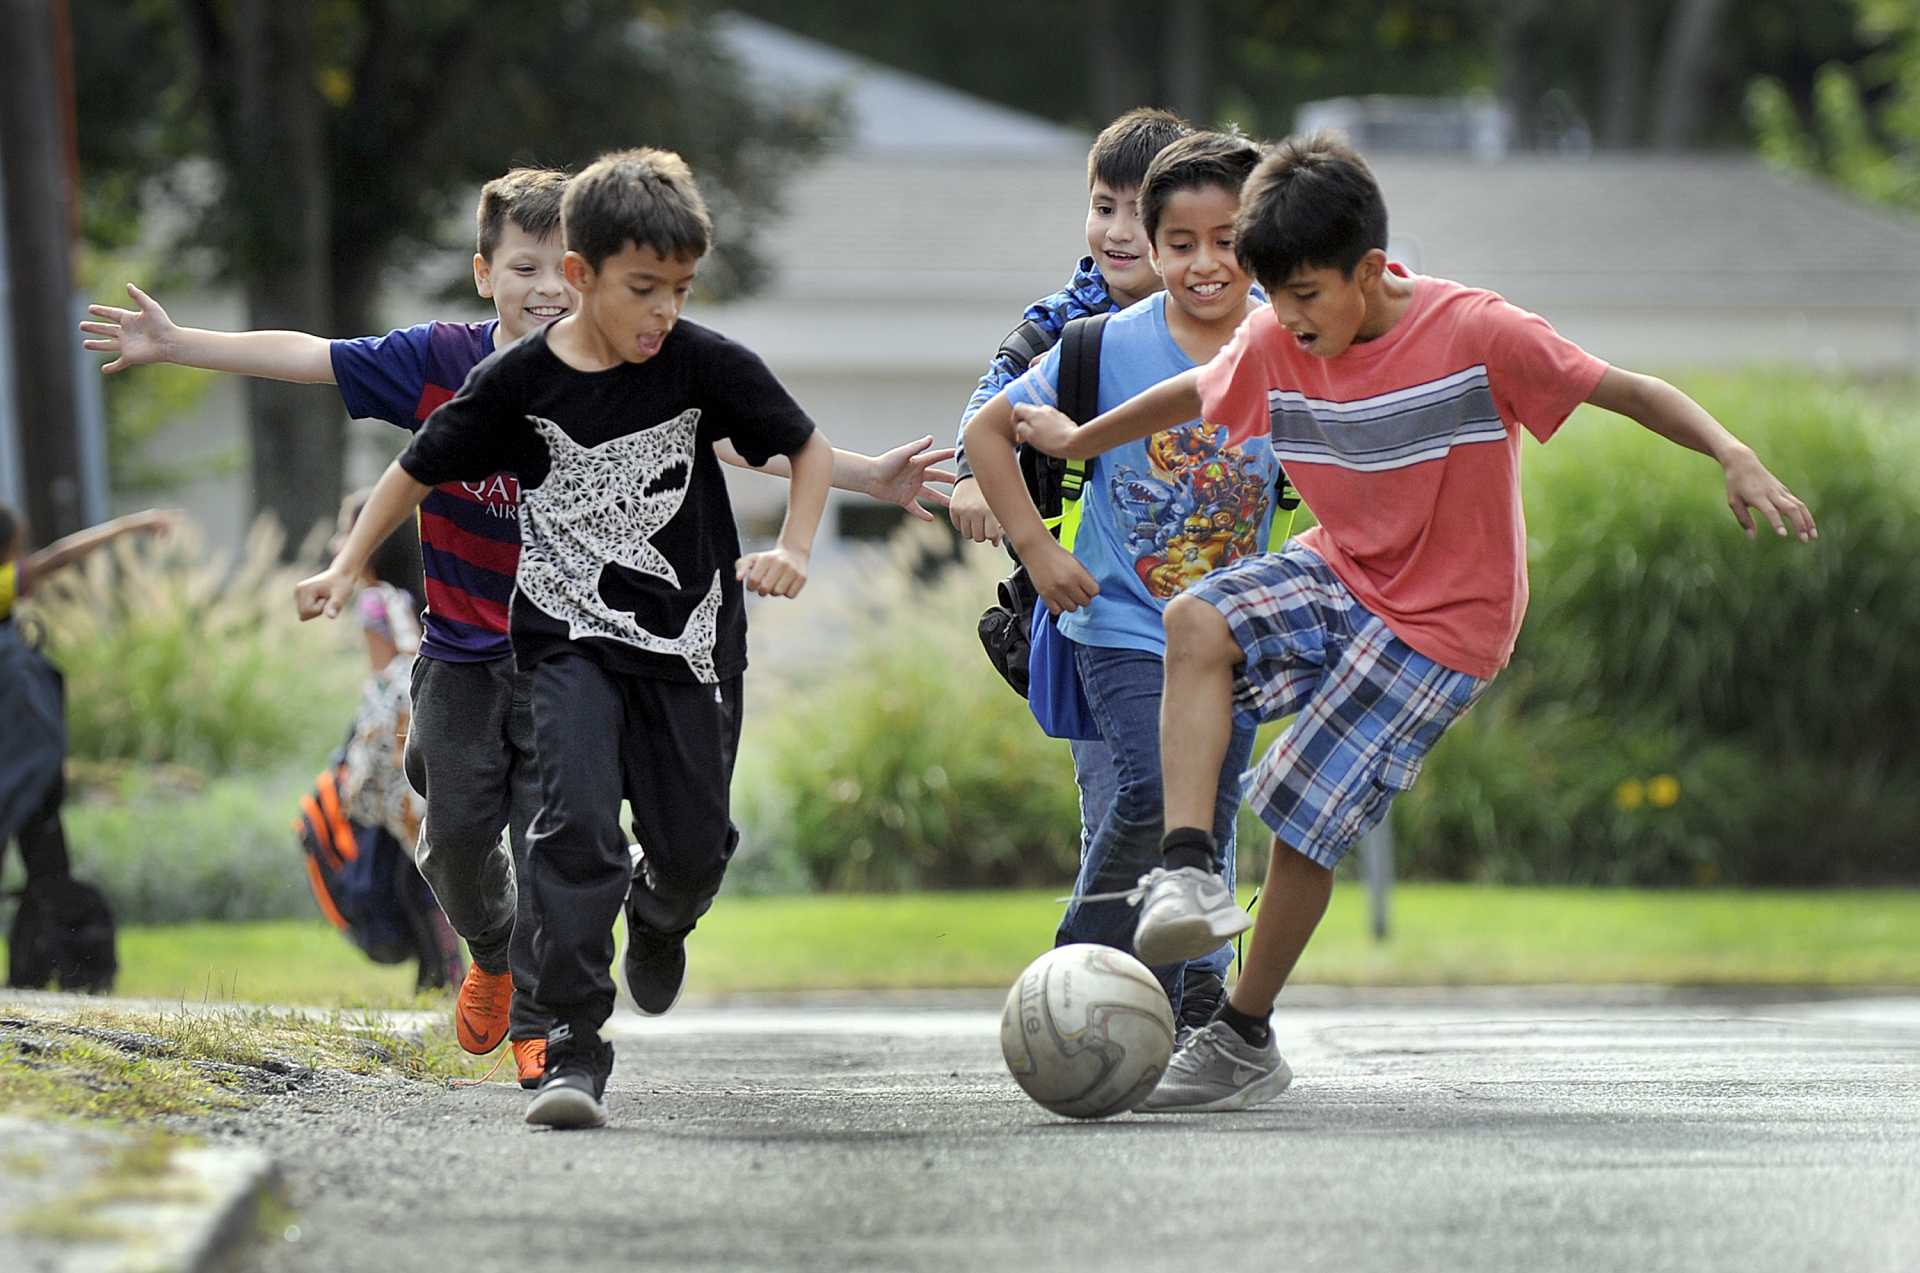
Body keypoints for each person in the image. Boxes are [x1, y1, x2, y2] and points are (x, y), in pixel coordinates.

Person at [81, 169, 954, 1089]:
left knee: (561, 831)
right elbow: (315, 356)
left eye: (554, 269)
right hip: (459, 651)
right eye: (522, 266)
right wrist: (181, 344)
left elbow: (733, 435)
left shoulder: (631, 360)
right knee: (458, 838)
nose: (542, 287)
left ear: (582, 274)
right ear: (484, 273)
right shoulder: (444, 364)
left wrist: (866, 478)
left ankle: (548, 1026)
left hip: (571, 644)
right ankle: (490, 954)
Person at [1012, 132, 1817, 1112]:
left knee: (1303, 814)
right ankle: (1188, 875)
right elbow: (1193, 391)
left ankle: (1242, 1038)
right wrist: (1079, 437)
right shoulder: (1278, 335)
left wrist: (1731, 452)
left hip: (1447, 617)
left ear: (1371, 270)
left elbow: (1627, 389)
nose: (1289, 323)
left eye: (1307, 296)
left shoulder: (1481, 333)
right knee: (1198, 624)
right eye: (1279, 297)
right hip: (1344, 566)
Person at [296, 147, 834, 1131]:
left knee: (690, 843)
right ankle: (569, 1048)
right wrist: (345, 567)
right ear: (581, 278)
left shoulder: (699, 363)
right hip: (563, 644)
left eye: (679, 289)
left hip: (686, 646)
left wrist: (795, 545)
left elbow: (801, 443)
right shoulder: (517, 381)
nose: (662, 312)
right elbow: (415, 469)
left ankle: (664, 914)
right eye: (643, 289)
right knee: (573, 829)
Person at [966, 131, 1286, 1026]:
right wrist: (1039, 551)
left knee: (1205, 839)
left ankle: (1186, 1013)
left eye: (1228, 240)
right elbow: (991, 432)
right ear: (1151, 246)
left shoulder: (1290, 341)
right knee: (1150, 790)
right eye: (1180, 244)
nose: (1206, 262)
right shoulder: (1102, 346)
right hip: (1120, 621)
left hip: (1233, 633)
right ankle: (1071, 978)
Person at [1, 504, 179, 991]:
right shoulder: (2, 587)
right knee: (48, 868)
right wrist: (129, 526)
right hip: (22, 765)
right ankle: (44, 973)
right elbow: (60, 557)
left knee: (47, 869)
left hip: (19, 763)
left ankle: (31, 975)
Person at [330, 490, 463, 992]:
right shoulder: (422, 592)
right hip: (437, 733)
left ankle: (446, 974)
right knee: (429, 865)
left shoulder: (373, 602)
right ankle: (440, 974)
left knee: (416, 871)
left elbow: (384, 683)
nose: (338, 542)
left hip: (397, 755)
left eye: (348, 532)